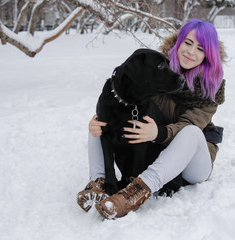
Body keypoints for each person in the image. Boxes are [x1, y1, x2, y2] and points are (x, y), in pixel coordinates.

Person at [77, 19, 226, 219]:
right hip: (159, 151)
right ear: (178, 43)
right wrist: (99, 123)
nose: (191, 52)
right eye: (188, 43)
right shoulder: (156, 69)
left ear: (208, 55)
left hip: (193, 162)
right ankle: (99, 182)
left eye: (201, 48)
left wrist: (159, 133)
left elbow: (188, 124)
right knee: (99, 123)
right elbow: (125, 98)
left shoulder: (211, 90)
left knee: (191, 132)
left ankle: (136, 191)